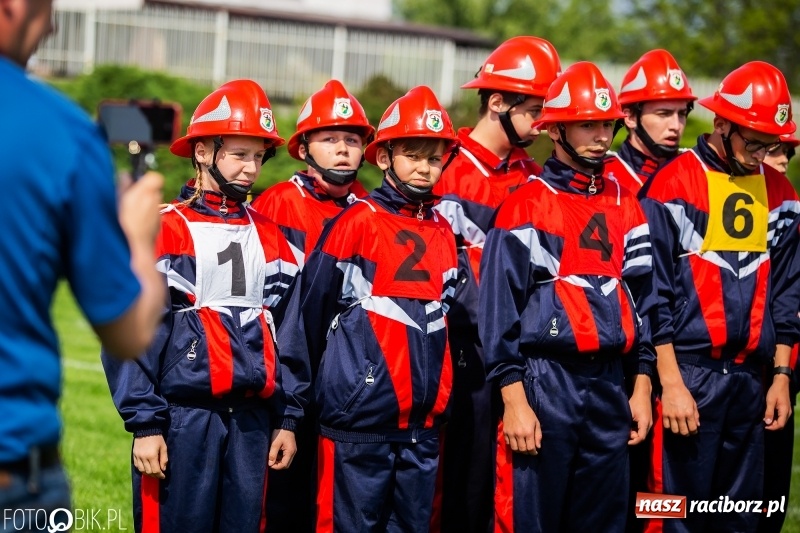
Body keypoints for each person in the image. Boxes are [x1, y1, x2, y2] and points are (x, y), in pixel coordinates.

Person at [102, 79, 308, 533]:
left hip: (253, 425)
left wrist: (289, 418)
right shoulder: (162, 230)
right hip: (181, 420)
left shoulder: (275, 238)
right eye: (239, 154)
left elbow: (290, 337)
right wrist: (145, 424)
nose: (252, 168)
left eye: (259, 155)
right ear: (201, 152)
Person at [0, 0, 165, 528]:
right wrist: (138, 238)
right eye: (50, 10)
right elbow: (128, 330)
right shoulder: (64, 133)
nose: (50, 27)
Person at [478, 61, 655, 532]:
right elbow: (497, 316)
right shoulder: (524, 203)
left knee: (602, 521)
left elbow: (646, 304)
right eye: (587, 124)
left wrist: (641, 386)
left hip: (611, 383)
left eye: (607, 124)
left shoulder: (626, 201)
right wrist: (515, 401)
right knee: (529, 519)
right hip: (544, 382)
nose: (601, 135)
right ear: (555, 129)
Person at [282, 85, 459, 532]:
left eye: (434, 158)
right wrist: (298, 409)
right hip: (357, 424)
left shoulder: (443, 229)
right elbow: (308, 320)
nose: (425, 167)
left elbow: (453, 318)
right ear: (384, 158)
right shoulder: (354, 222)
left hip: (422, 425)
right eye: (413, 155)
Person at [639, 61, 800, 533]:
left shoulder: (783, 195)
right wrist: (669, 384)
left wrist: (782, 376)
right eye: (753, 142)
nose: (762, 154)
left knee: (738, 519)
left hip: (751, 380)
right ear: (721, 123)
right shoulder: (671, 183)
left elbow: (788, 294)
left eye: (772, 145)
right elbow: (652, 294)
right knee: (667, 513)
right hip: (687, 374)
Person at [431, 36, 561, 533]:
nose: (542, 122)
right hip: (461, 356)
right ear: (496, 102)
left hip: (523, 354)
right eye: (534, 110)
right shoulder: (445, 171)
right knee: (459, 490)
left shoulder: (534, 175)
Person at [250, 79, 374, 532]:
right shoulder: (279, 203)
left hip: (350, 382)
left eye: (352, 140)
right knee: (281, 497)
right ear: (303, 148)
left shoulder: (370, 211)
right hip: (287, 376)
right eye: (329, 139)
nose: (342, 149)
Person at [758, 125, 799, 533]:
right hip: (718, 367)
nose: (783, 158)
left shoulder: (787, 204)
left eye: (786, 150)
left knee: (768, 497)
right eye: (773, 149)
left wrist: (784, 373)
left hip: (779, 366)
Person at [605, 49, 697, 193]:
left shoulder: (695, 178)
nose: (676, 125)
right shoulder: (602, 179)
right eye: (664, 114)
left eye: (682, 114)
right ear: (630, 117)